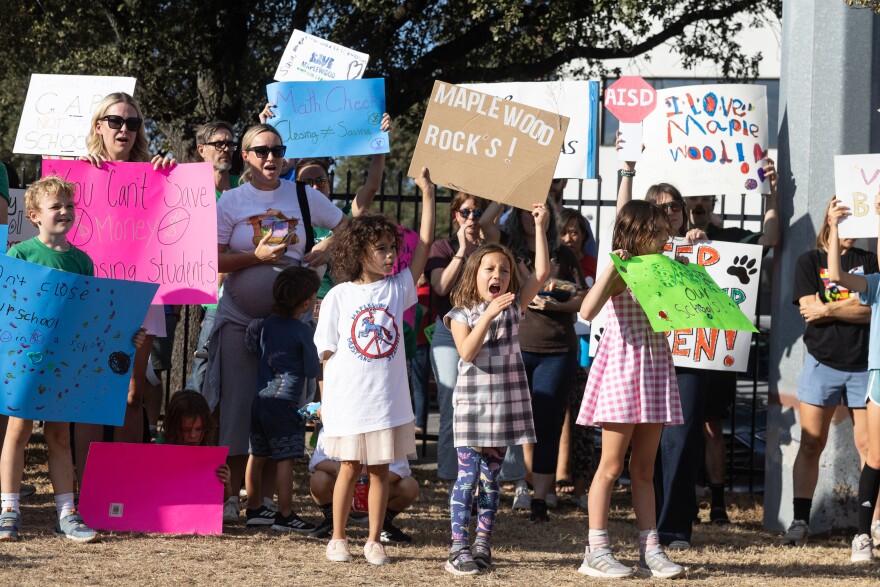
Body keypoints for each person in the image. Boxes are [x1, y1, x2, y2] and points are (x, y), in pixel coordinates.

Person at [204, 123, 345, 521]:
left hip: (285, 327)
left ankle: (261, 501)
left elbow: (345, 225)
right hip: (238, 319)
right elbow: (213, 261)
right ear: (246, 156)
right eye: (261, 151)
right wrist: (256, 258)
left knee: (278, 407)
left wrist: (324, 246)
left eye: (277, 150)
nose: (271, 157)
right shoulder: (230, 201)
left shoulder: (301, 194)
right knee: (236, 406)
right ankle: (231, 496)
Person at [0, 176, 146, 542]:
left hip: (65, 365)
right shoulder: (20, 255)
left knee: (59, 434)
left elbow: (92, 317)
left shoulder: (83, 262)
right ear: (34, 215)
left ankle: (66, 512)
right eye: (55, 207)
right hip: (26, 363)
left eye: (69, 206)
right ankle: (8, 509)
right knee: (17, 431)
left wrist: (126, 336)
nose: (65, 212)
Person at [314, 168, 434, 565]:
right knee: (348, 467)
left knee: (380, 469)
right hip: (350, 400)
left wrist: (428, 197)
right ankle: (338, 537)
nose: (389, 255)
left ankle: (374, 539)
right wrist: (326, 405)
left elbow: (425, 246)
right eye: (380, 248)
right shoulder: (338, 296)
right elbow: (327, 354)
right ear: (359, 251)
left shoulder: (397, 287)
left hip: (386, 400)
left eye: (390, 248)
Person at [576, 200, 685, 579]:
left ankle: (650, 550)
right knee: (610, 466)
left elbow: (678, 316)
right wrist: (611, 267)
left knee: (644, 468)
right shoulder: (622, 270)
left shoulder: (666, 268)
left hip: (654, 368)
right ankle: (597, 549)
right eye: (655, 229)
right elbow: (587, 311)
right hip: (622, 368)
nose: (663, 235)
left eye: (663, 229)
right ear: (634, 231)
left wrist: (687, 276)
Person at [614, 133, 710, 549]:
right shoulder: (637, 255)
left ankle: (672, 529)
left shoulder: (697, 245)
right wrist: (627, 171)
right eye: (662, 207)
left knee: (681, 441)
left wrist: (702, 253)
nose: (670, 213)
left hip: (688, 355)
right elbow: (622, 230)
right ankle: (642, 533)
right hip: (643, 359)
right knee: (638, 456)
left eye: (676, 206)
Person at [444, 204, 551, 575]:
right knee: (467, 477)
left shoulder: (513, 307)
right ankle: (458, 547)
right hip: (472, 407)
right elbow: (467, 351)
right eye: (490, 269)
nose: (498, 275)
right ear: (475, 274)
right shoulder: (461, 312)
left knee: (492, 480)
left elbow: (541, 272)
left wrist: (541, 227)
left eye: (504, 271)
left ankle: (482, 543)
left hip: (504, 405)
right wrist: (487, 313)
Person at [75, 92, 176, 477]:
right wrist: (78, 177)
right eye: (115, 121)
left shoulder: (157, 173)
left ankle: (124, 485)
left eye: (132, 123)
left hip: (141, 297)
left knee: (133, 394)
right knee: (90, 394)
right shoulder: (81, 174)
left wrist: (170, 173)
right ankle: (86, 488)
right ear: (99, 126)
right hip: (93, 297)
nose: (124, 130)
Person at [684, 158, 779, 524]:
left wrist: (771, 191)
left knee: (710, 427)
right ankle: (683, 496)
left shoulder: (730, 239)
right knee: (678, 426)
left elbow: (769, 238)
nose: (698, 204)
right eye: (691, 198)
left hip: (716, 345)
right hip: (677, 347)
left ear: (713, 203)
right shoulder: (669, 239)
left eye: (704, 198)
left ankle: (718, 503)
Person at [784, 199, 878, 546]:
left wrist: (829, 308)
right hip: (822, 362)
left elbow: (871, 312)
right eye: (842, 215)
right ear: (830, 216)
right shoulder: (809, 261)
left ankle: (873, 525)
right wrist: (847, 306)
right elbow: (809, 311)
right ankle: (800, 520)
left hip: (862, 365)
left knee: (871, 448)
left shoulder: (868, 261)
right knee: (811, 442)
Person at [424, 195, 515, 497]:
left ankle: (502, 476)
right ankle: (455, 478)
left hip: (491, 329)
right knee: (452, 400)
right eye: (465, 212)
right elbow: (440, 286)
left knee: (502, 402)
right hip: (451, 331)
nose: (472, 217)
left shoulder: (493, 248)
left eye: (477, 211)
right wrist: (463, 250)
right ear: (454, 215)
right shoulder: (443, 247)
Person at [502, 202, 586, 522]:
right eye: (525, 210)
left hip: (558, 351)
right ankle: (521, 486)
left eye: (537, 211)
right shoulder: (508, 252)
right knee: (519, 424)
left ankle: (540, 497)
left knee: (547, 424)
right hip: (518, 347)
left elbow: (580, 299)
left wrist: (550, 301)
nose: (531, 216)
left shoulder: (563, 254)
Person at [242, 266, 321, 534]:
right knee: (285, 458)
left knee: (258, 454)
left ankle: (254, 508)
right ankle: (285, 514)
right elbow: (313, 368)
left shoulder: (266, 324)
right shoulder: (302, 332)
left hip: (260, 400)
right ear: (307, 303)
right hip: (286, 403)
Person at [825, 197, 880, 562]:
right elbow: (836, 277)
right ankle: (863, 534)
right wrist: (834, 229)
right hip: (879, 376)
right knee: (875, 455)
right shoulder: (875, 282)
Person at [186, 120, 240, 394]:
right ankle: (190, 433)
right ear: (202, 149)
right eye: (219, 143)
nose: (226, 149)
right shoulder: (189, 192)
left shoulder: (244, 189)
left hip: (246, 295)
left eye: (230, 143)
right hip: (211, 300)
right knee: (202, 372)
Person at [309, 428, 418, 542]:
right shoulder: (332, 426)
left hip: (379, 491)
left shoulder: (388, 427)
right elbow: (316, 461)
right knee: (318, 479)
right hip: (339, 489)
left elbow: (401, 468)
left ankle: (383, 523)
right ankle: (332, 520)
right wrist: (339, 469)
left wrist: (373, 480)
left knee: (409, 485)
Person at [556, 207, 598, 509]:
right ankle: (554, 481)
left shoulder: (596, 265)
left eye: (575, 232)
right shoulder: (553, 265)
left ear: (584, 236)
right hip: (558, 348)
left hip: (589, 351)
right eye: (564, 232)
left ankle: (582, 487)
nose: (569, 238)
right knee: (555, 416)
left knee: (584, 420)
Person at [158, 390, 231, 500]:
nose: (193, 436)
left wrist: (226, 482)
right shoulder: (159, 451)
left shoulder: (211, 456)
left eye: (199, 429)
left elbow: (223, 498)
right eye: (185, 430)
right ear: (173, 427)